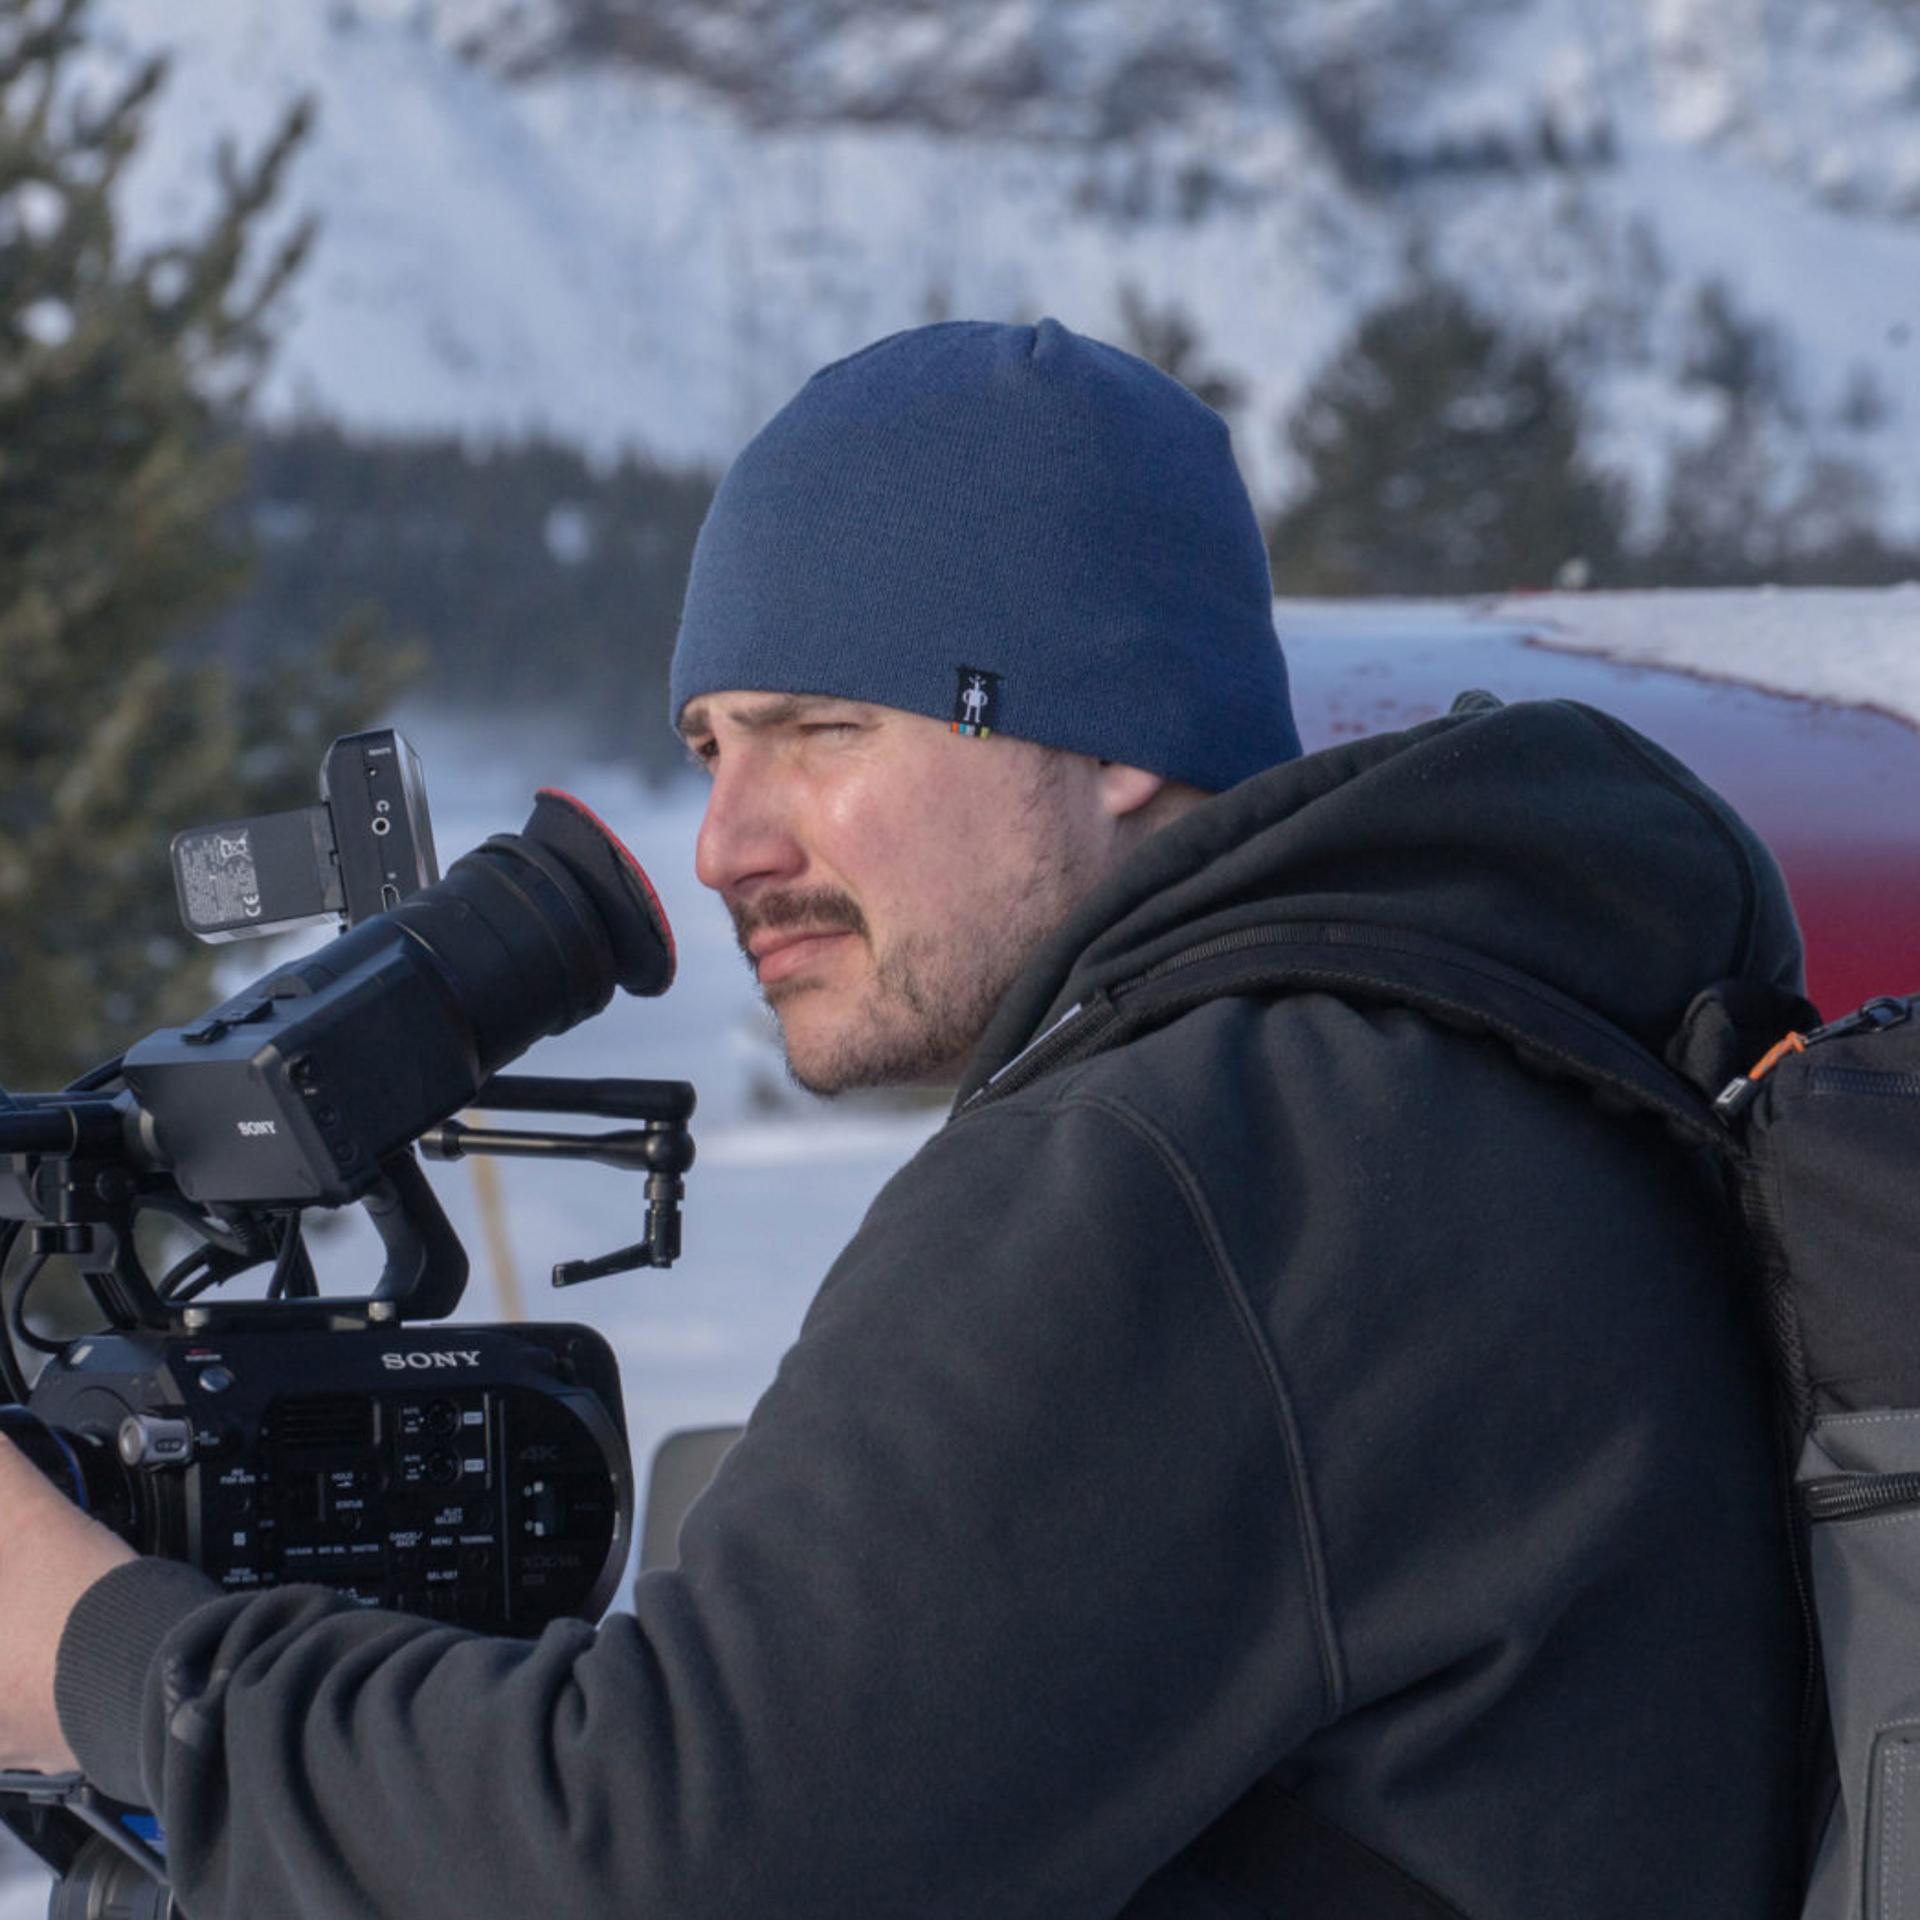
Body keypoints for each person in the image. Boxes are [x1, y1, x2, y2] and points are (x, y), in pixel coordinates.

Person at [0, 319, 1802, 1917]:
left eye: (818, 729)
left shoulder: (1187, 1161)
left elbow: (655, 1852)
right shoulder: (1457, 1070)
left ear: (1111, 731)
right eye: (711, 744)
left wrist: (87, 1648)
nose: (726, 844)